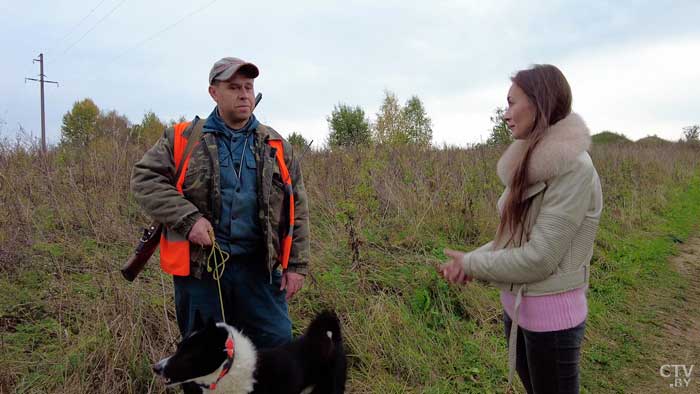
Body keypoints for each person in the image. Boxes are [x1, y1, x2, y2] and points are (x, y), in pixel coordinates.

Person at [438, 64, 602, 394]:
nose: (505, 114)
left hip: (553, 321)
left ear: (539, 103)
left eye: (512, 103)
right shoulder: (533, 163)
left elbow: (540, 257)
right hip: (517, 310)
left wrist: (473, 264)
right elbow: (512, 239)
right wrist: (468, 260)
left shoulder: (574, 169)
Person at [131, 57, 310, 352]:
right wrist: (189, 220)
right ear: (214, 93)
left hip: (259, 271)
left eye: (249, 87)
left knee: (276, 348)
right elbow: (144, 179)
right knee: (206, 357)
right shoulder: (183, 139)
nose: (244, 94)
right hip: (202, 271)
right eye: (234, 87)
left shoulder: (276, 145)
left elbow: (297, 208)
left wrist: (297, 266)